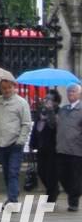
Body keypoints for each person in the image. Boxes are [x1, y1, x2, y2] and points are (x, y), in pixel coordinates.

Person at [0, 77, 33, 206]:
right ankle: (12, 194)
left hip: (15, 143)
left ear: (14, 87)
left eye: (9, 87)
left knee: (13, 172)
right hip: (2, 143)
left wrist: (21, 140)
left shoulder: (21, 103)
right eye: (4, 88)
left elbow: (26, 123)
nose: (7, 90)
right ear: (0, 89)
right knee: (6, 172)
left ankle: (13, 200)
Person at [32, 90, 62, 204]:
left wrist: (50, 111)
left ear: (56, 102)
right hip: (42, 146)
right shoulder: (41, 110)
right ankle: (53, 190)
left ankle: (51, 195)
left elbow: (54, 125)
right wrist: (32, 142)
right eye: (46, 99)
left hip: (53, 147)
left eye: (49, 99)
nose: (47, 101)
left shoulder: (58, 111)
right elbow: (36, 126)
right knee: (41, 171)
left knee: (51, 173)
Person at [58, 83, 82, 212]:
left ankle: (74, 201)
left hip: (76, 150)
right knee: (62, 175)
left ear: (79, 94)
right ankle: (74, 192)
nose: (70, 94)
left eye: (73, 91)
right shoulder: (63, 109)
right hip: (62, 149)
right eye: (68, 92)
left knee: (75, 177)